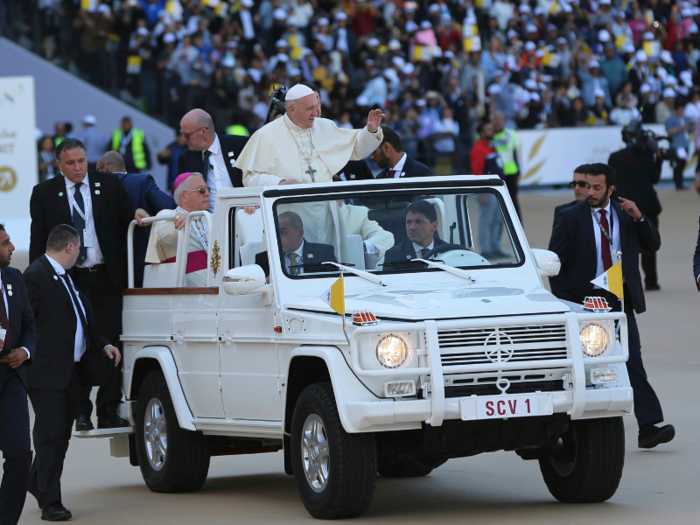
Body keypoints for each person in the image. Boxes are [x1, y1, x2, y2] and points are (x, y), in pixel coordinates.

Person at [548, 163, 675, 450]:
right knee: (585, 365)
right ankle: (571, 430)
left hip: (619, 300)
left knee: (631, 360)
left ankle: (649, 426)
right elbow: (555, 264)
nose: (589, 192)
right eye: (586, 186)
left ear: (610, 189)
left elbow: (652, 244)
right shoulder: (569, 217)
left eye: (596, 187)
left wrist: (640, 217)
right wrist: (568, 304)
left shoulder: (625, 213)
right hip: (585, 303)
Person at [29, 138, 148, 432]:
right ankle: (81, 410)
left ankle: (108, 409)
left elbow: (125, 217)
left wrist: (137, 213)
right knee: (76, 343)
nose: (78, 168)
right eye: (70, 163)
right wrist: (37, 285)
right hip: (70, 281)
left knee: (111, 342)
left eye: (81, 161)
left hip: (107, 277)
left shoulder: (107, 184)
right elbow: (38, 241)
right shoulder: (44, 193)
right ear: (59, 165)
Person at [24, 225, 121, 522]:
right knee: (50, 436)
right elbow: (25, 322)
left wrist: (101, 342)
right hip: (46, 372)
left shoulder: (65, 277)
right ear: (69, 247)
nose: (81, 253)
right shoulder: (36, 275)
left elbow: (81, 314)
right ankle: (51, 502)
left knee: (60, 436)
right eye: (79, 248)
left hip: (71, 372)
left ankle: (37, 481)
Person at [237, 83, 384, 186]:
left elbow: (356, 149)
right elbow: (250, 178)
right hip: (291, 214)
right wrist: (279, 183)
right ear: (292, 109)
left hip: (327, 208)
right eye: (309, 108)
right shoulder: (265, 135)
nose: (316, 113)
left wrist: (370, 131)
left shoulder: (325, 126)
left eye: (316, 106)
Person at [0, 225, 36, 525]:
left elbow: (29, 324)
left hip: (11, 376)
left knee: (21, 454)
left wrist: (24, 350)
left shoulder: (13, 277)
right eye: (5, 243)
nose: (11, 248)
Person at [96, 151, 175, 288]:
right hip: (142, 259)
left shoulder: (96, 189)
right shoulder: (142, 181)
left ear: (105, 168)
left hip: (107, 266)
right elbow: (168, 206)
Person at [609, 124, 664, 291]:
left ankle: (619, 282)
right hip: (647, 206)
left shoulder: (615, 157)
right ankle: (651, 281)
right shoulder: (646, 155)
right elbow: (654, 178)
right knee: (649, 244)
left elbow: (611, 183)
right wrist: (659, 158)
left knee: (619, 246)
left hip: (622, 206)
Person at [145, 173, 212, 287]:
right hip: (185, 291)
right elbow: (165, 237)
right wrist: (179, 224)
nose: (207, 194)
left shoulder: (212, 217)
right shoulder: (167, 215)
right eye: (201, 190)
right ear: (183, 196)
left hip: (219, 286)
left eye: (207, 189)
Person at [177, 109, 250, 212]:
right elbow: (182, 195)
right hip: (208, 222)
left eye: (187, 135)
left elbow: (258, 178)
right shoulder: (186, 159)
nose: (183, 139)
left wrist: (252, 201)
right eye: (182, 133)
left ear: (203, 132)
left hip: (246, 214)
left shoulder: (240, 145)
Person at [255, 211, 336, 277]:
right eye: (276, 234)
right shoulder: (265, 259)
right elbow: (256, 293)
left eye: (283, 233)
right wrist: (268, 281)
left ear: (300, 233)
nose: (278, 238)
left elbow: (335, 282)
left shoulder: (323, 253)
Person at [470, 121, 506, 259]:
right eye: (488, 129)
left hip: (496, 191)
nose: (492, 131)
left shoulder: (490, 146)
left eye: (492, 128)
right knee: (487, 221)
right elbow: (477, 172)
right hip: (488, 191)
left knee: (496, 220)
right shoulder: (479, 149)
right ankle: (486, 250)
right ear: (481, 133)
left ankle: (495, 248)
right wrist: (482, 193)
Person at [383, 200, 447, 264]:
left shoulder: (448, 252)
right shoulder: (394, 256)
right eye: (409, 222)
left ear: (434, 226)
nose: (412, 227)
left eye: (418, 222)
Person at [492, 112, 521, 220]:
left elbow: (514, 153)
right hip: (495, 172)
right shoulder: (489, 135)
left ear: (503, 121)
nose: (498, 121)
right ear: (492, 121)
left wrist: (518, 171)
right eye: (496, 119)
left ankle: (518, 226)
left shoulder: (511, 133)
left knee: (513, 201)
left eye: (500, 119)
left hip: (510, 171)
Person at [665, 99, 692, 190]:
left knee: (683, 165)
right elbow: (669, 132)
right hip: (675, 146)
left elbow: (690, 128)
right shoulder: (670, 120)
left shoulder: (685, 119)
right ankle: (678, 184)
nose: (682, 111)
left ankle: (680, 182)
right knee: (676, 166)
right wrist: (680, 128)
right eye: (680, 109)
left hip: (685, 145)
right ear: (676, 109)